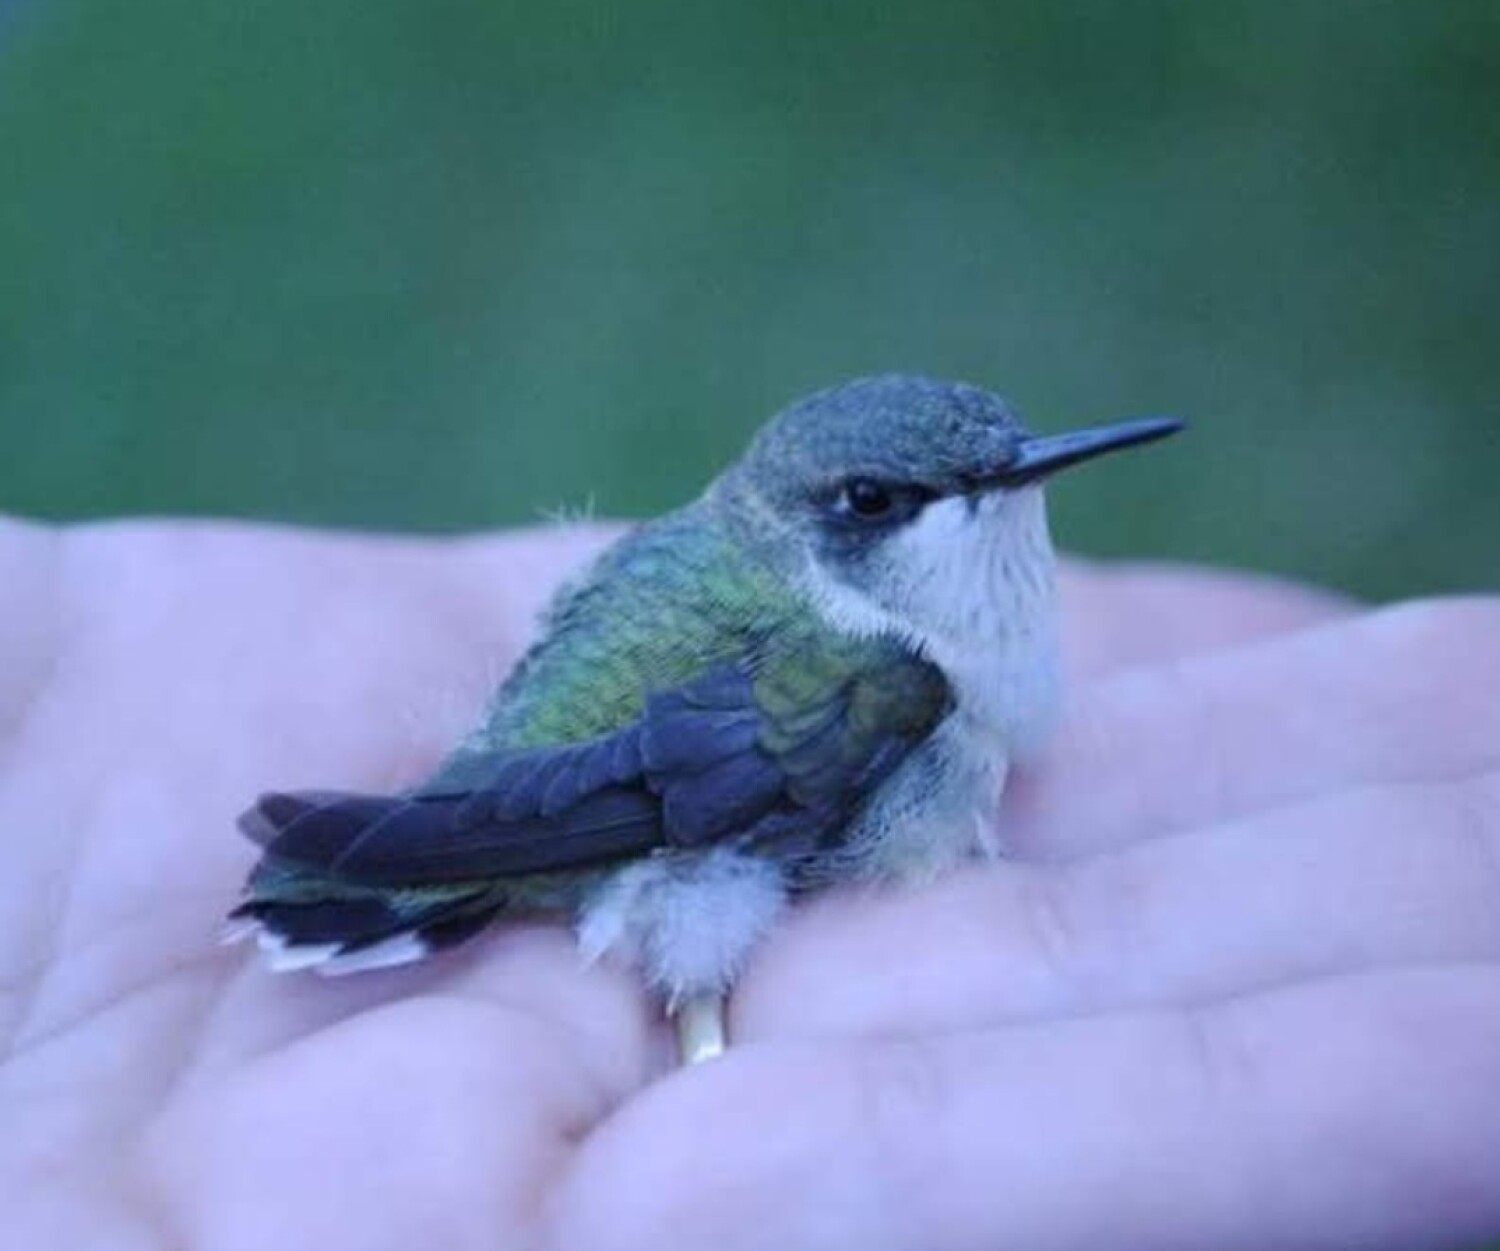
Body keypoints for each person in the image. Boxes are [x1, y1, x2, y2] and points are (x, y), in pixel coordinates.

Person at [1, 516, 1496, 1250]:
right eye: (911, 499)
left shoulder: (752, 574)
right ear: (840, 524)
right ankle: (413, 868)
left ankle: (415, 855)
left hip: (599, 770)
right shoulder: (872, 684)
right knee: (527, 823)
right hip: (636, 808)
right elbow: (681, 779)